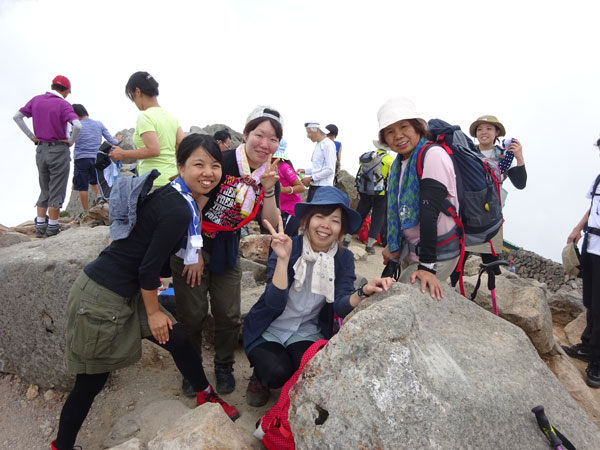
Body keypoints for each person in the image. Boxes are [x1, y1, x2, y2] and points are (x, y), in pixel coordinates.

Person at [50, 134, 240, 450]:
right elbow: (148, 270)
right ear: (181, 166)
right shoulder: (178, 207)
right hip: (102, 297)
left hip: (125, 290)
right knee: (91, 382)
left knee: (177, 338)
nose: (208, 172)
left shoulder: (179, 195)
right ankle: (62, 446)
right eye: (199, 164)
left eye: (215, 166)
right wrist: (152, 313)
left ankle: (205, 394)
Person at [242, 186, 396, 406]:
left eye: (334, 220)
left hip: (306, 329)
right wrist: (283, 260)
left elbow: (340, 305)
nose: (326, 225)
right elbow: (274, 303)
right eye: (319, 216)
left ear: (341, 229)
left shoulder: (343, 258)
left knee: (312, 368)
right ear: (307, 221)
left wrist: (363, 291)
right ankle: (259, 378)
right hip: (270, 327)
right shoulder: (288, 246)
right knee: (276, 371)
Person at [171, 106, 281, 397]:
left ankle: (224, 365)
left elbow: (269, 221)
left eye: (273, 139)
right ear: (245, 134)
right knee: (192, 314)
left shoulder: (268, 172)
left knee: (229, 314)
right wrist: (193, 251)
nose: (265, 144)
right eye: (259, 135)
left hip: (227, 246)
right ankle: (191, 367)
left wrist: (269, 188)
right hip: (192, 242)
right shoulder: (222, 161)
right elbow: (192, 203)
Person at [379, 97, 461, 300]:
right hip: (411, 250)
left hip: (436, 254)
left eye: (404, 126)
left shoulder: (433, 155)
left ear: (417, 127)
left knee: (398, 302)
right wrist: (394, 245)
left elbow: (429, 211)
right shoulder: (398, 164)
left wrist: (427, 267)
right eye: (390, 131)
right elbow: (398, 208)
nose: (398, 136)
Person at [455, 115, 527, 275]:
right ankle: (452, 287)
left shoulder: (505, 156)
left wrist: (519, 157)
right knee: (458, 259)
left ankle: (493, 289)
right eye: (479, 129)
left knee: (491, 261)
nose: (484, 132)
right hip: (466, 211)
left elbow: (520, 184)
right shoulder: (466, 151)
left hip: (491, 215)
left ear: (497, 132)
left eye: (489, 128)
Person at [13, 75, 82, 237]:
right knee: (57, 189)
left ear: (52, 87)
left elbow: (17, 116)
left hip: (41, 149)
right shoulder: (63, 105)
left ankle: (40, 226)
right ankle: (52, 228)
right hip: (58, 150)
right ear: (66, 90)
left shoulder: (36, 100)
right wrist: (70, 141)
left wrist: (31, 136)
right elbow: (77, 125)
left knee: (44, 188)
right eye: (68, 92)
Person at [562, 139, 600, 388]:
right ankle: (587, 345)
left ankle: (597, 361)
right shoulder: (598, 180)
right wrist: (577, 229)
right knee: (590, 301)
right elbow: (592, 208)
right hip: (591, 246)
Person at [109, 71, 185, 187]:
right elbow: (183, 146)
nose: (134, 102)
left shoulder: (145, 117)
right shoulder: (171, 117)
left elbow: (154, 150)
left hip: (153, 181)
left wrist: (123, 154)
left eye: (132, 96)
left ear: (138, 92)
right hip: (173, 179)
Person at [70, 104, 122, 222]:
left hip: (81, 159)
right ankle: (99, 197)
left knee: (82, 186)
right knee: (95, 180)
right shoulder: (98, 124)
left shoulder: (75, 126)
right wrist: (118, 140)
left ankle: (85, 212)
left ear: (75, 114)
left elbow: (69, 140)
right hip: (96, 158)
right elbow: (112, 141)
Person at [343, 140, 394, 254]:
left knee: (360, 213)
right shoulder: (390, 160)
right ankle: (369, 246)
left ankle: (346, 239)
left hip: (365, 190)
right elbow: (392, 178)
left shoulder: (367, 156)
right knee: (377, 217)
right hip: (380, 193)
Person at [297, 120, 337, 201]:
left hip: (323, 188)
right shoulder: (319, 144)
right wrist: (305, 171)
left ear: (318, 130)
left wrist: (311, 178)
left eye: (309, 132)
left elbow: (330, 169)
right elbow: (319, 168)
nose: (307, 136)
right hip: (315, 186)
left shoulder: (328, 144)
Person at [274, 139, 306, 236]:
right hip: (281, 209)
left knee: (285, 238)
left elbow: (301, 187)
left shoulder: (284, 167)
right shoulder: (271, 167)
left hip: (291, 211)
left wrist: (284, 189)